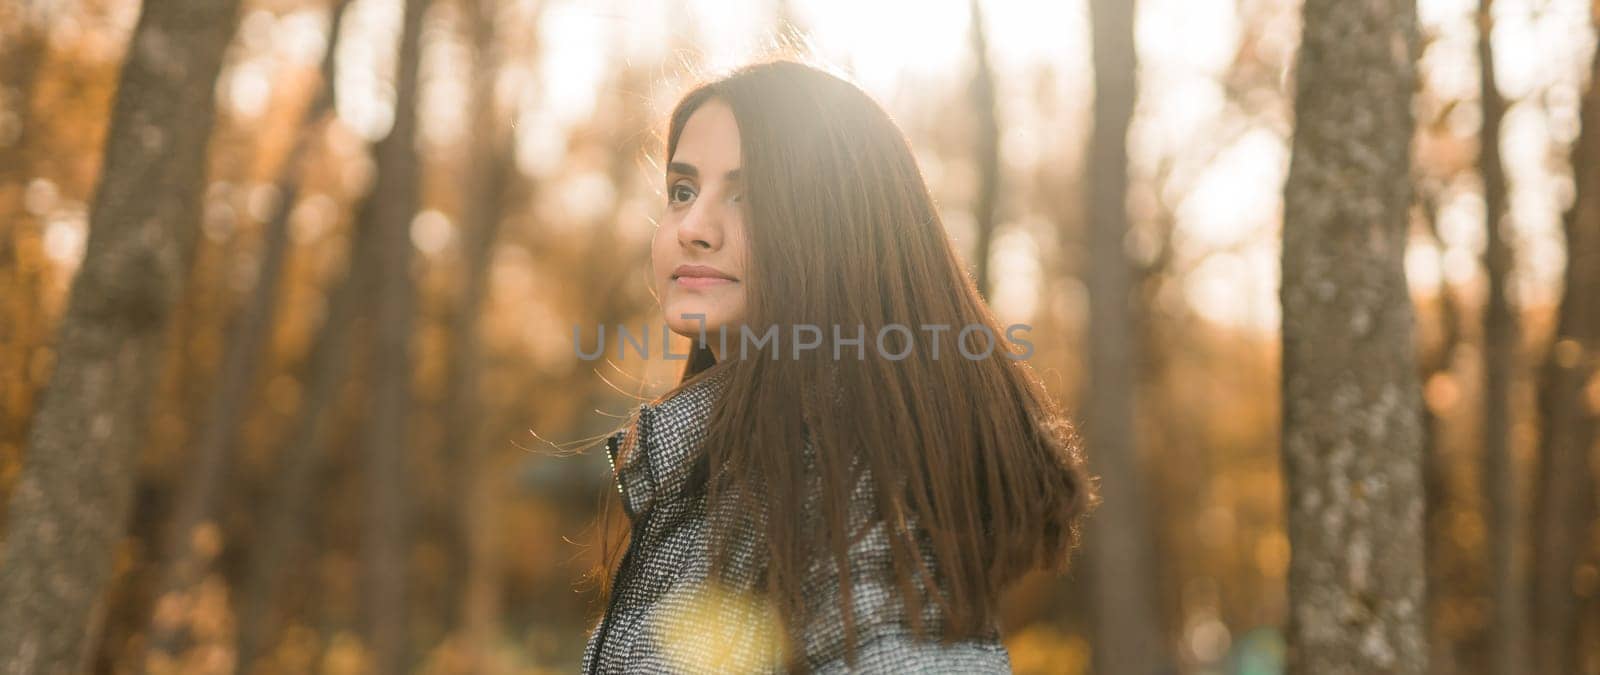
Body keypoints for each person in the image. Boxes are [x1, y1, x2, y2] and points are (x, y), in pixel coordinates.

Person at [580, 58, 1099, 674]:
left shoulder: (865, 494)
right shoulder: (730, 472)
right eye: (683, 191)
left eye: (751, 197)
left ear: (839, 233)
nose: (693, 227)